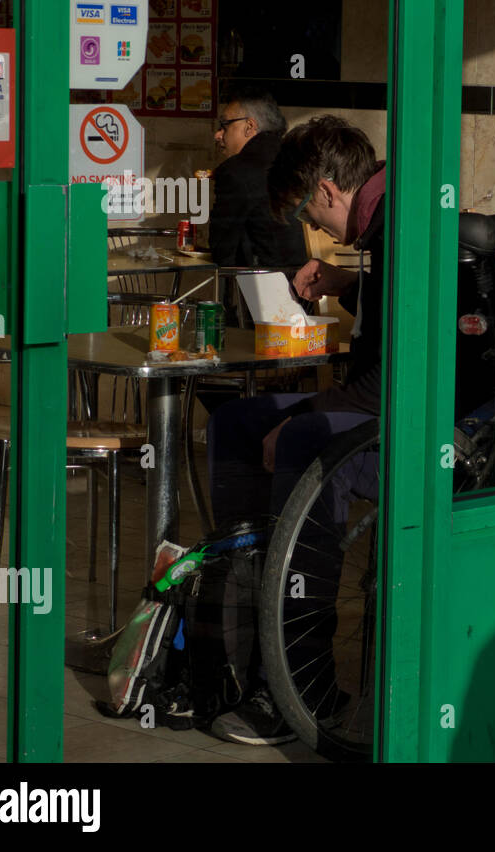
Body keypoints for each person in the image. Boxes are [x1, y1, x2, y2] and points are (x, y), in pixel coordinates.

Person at [204, 115, 384, 746]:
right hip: (387, 409)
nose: (313, 229)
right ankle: (239, 646)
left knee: (307, 439)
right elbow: (394, 314)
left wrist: (306, 418)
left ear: (331, 190)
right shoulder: (381, 225)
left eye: (311, 213)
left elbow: (386, 385)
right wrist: (347, 283)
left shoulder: (401, 227)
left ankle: (296, 685)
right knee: (237, 422)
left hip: (432, 434)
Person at [207, 86, 308, 270]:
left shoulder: (236, 171)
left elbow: (221, 249)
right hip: (311, 278)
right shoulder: (298, 156)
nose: (218, 135)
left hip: (265, 285)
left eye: (224, 125)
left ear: (250, 127)